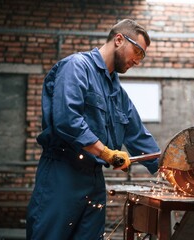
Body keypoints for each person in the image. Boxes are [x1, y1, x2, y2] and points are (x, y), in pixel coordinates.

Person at [27, 19, 160, 240]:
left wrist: (171, 170)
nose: (137, 60)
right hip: (63, 172)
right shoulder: (76, 67)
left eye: (142, 55)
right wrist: (106, 152)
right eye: (137, 51)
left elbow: (138, 135)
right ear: (119, 39)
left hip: (94, 178)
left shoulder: (117, 93)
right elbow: (67, 119)